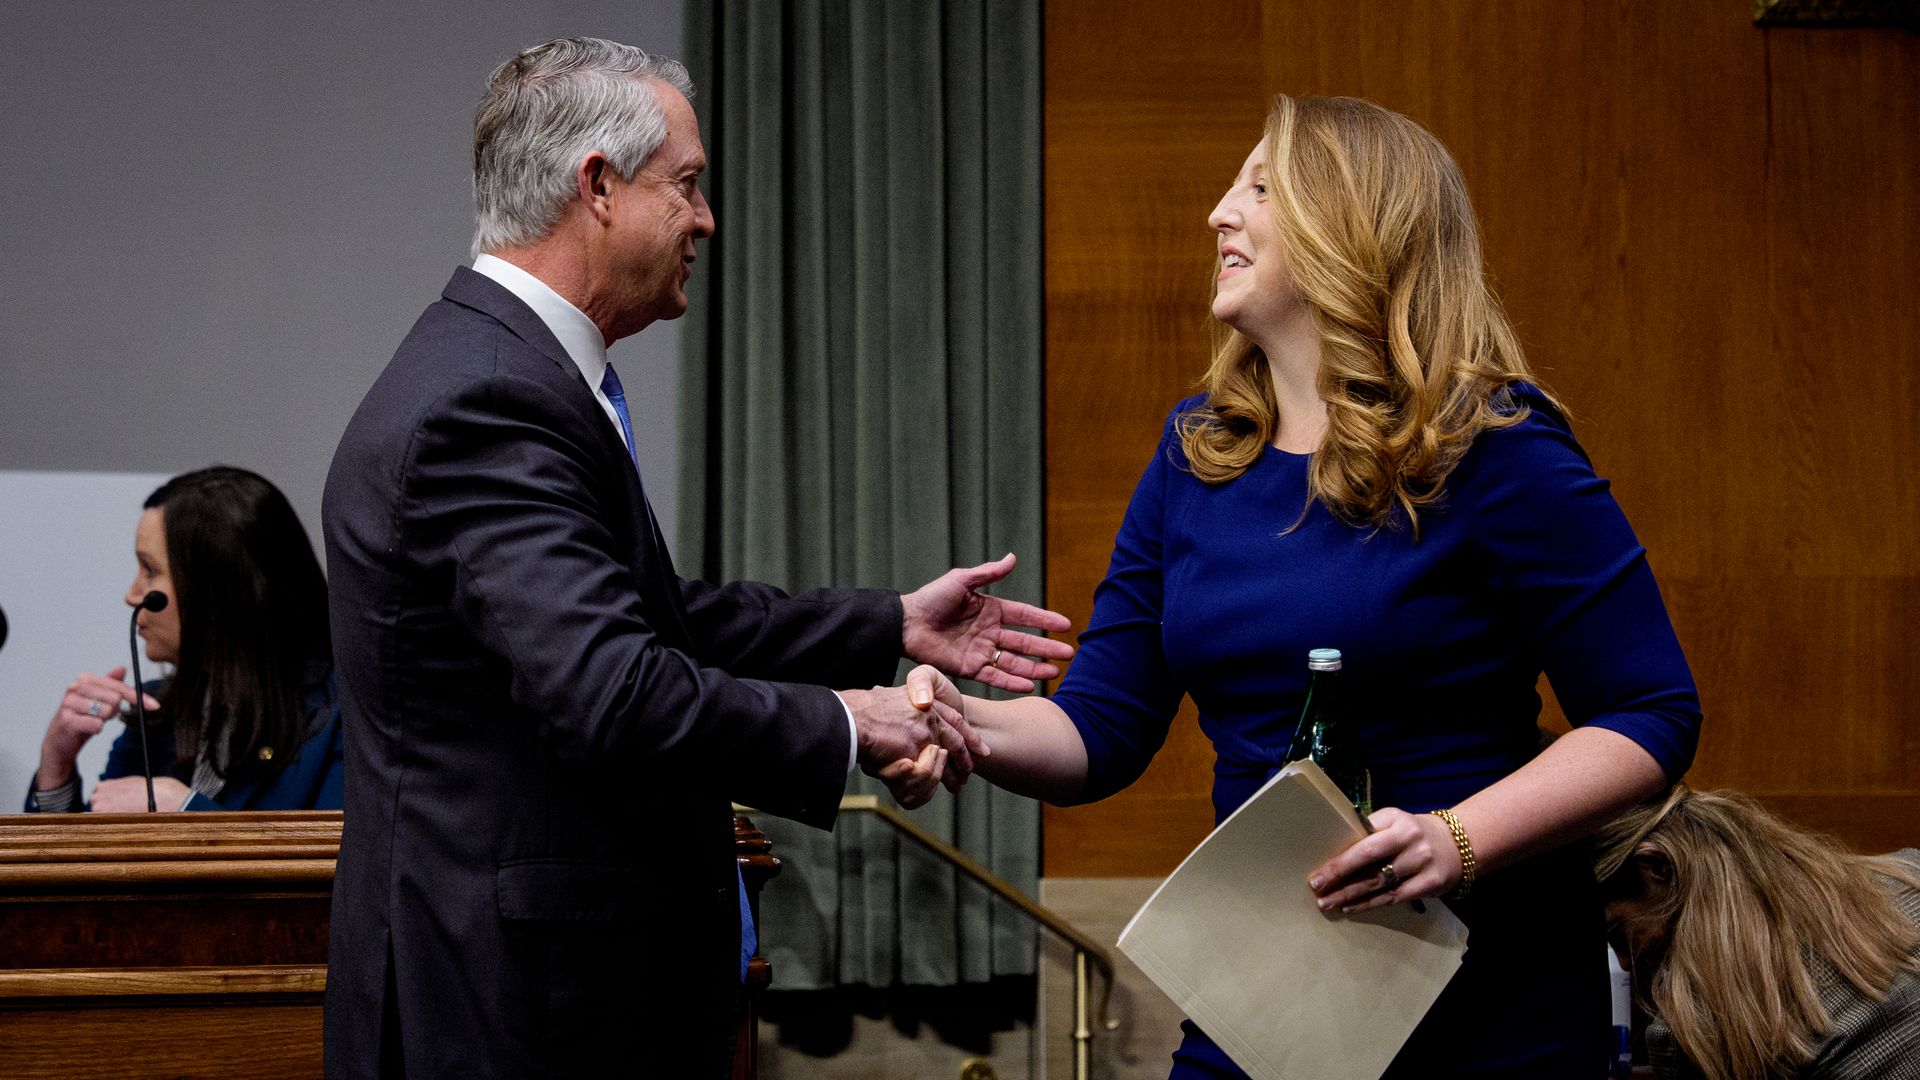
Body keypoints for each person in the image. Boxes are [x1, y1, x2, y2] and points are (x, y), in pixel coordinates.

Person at [320, 37, 1071, 1079]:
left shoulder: (506, 370)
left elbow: (654, 619)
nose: (708, 219)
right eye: (687, 184)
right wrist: (852, 722)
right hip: (507, 1015)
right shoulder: (488, 400)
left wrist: (890, 623)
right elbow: (614, 689)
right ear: (597, 186)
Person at [909, 93, 1705, 1077]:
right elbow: (1099, 728)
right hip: (1270, 993)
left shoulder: (1493, 444)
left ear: (1349, 224)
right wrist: (960, 723)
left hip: (1486, 1006)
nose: (1219, 213)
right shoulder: (1196, 452)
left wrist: (1457, 839)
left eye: (1259, 188)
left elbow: (1651, 713)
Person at [26, 466, 342, 813]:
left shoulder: (344, 717)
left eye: (151, 570)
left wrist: (187, 809)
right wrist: (56, 763)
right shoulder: (155, 713)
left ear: (219, 590)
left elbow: (336, 848)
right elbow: (95, 847)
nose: (132, 595)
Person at [1595, 785, 1920, 1080]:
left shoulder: (1693, 1036)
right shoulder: (1909, 873)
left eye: (1617, 932)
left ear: (1657, 867)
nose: (1624, 961)